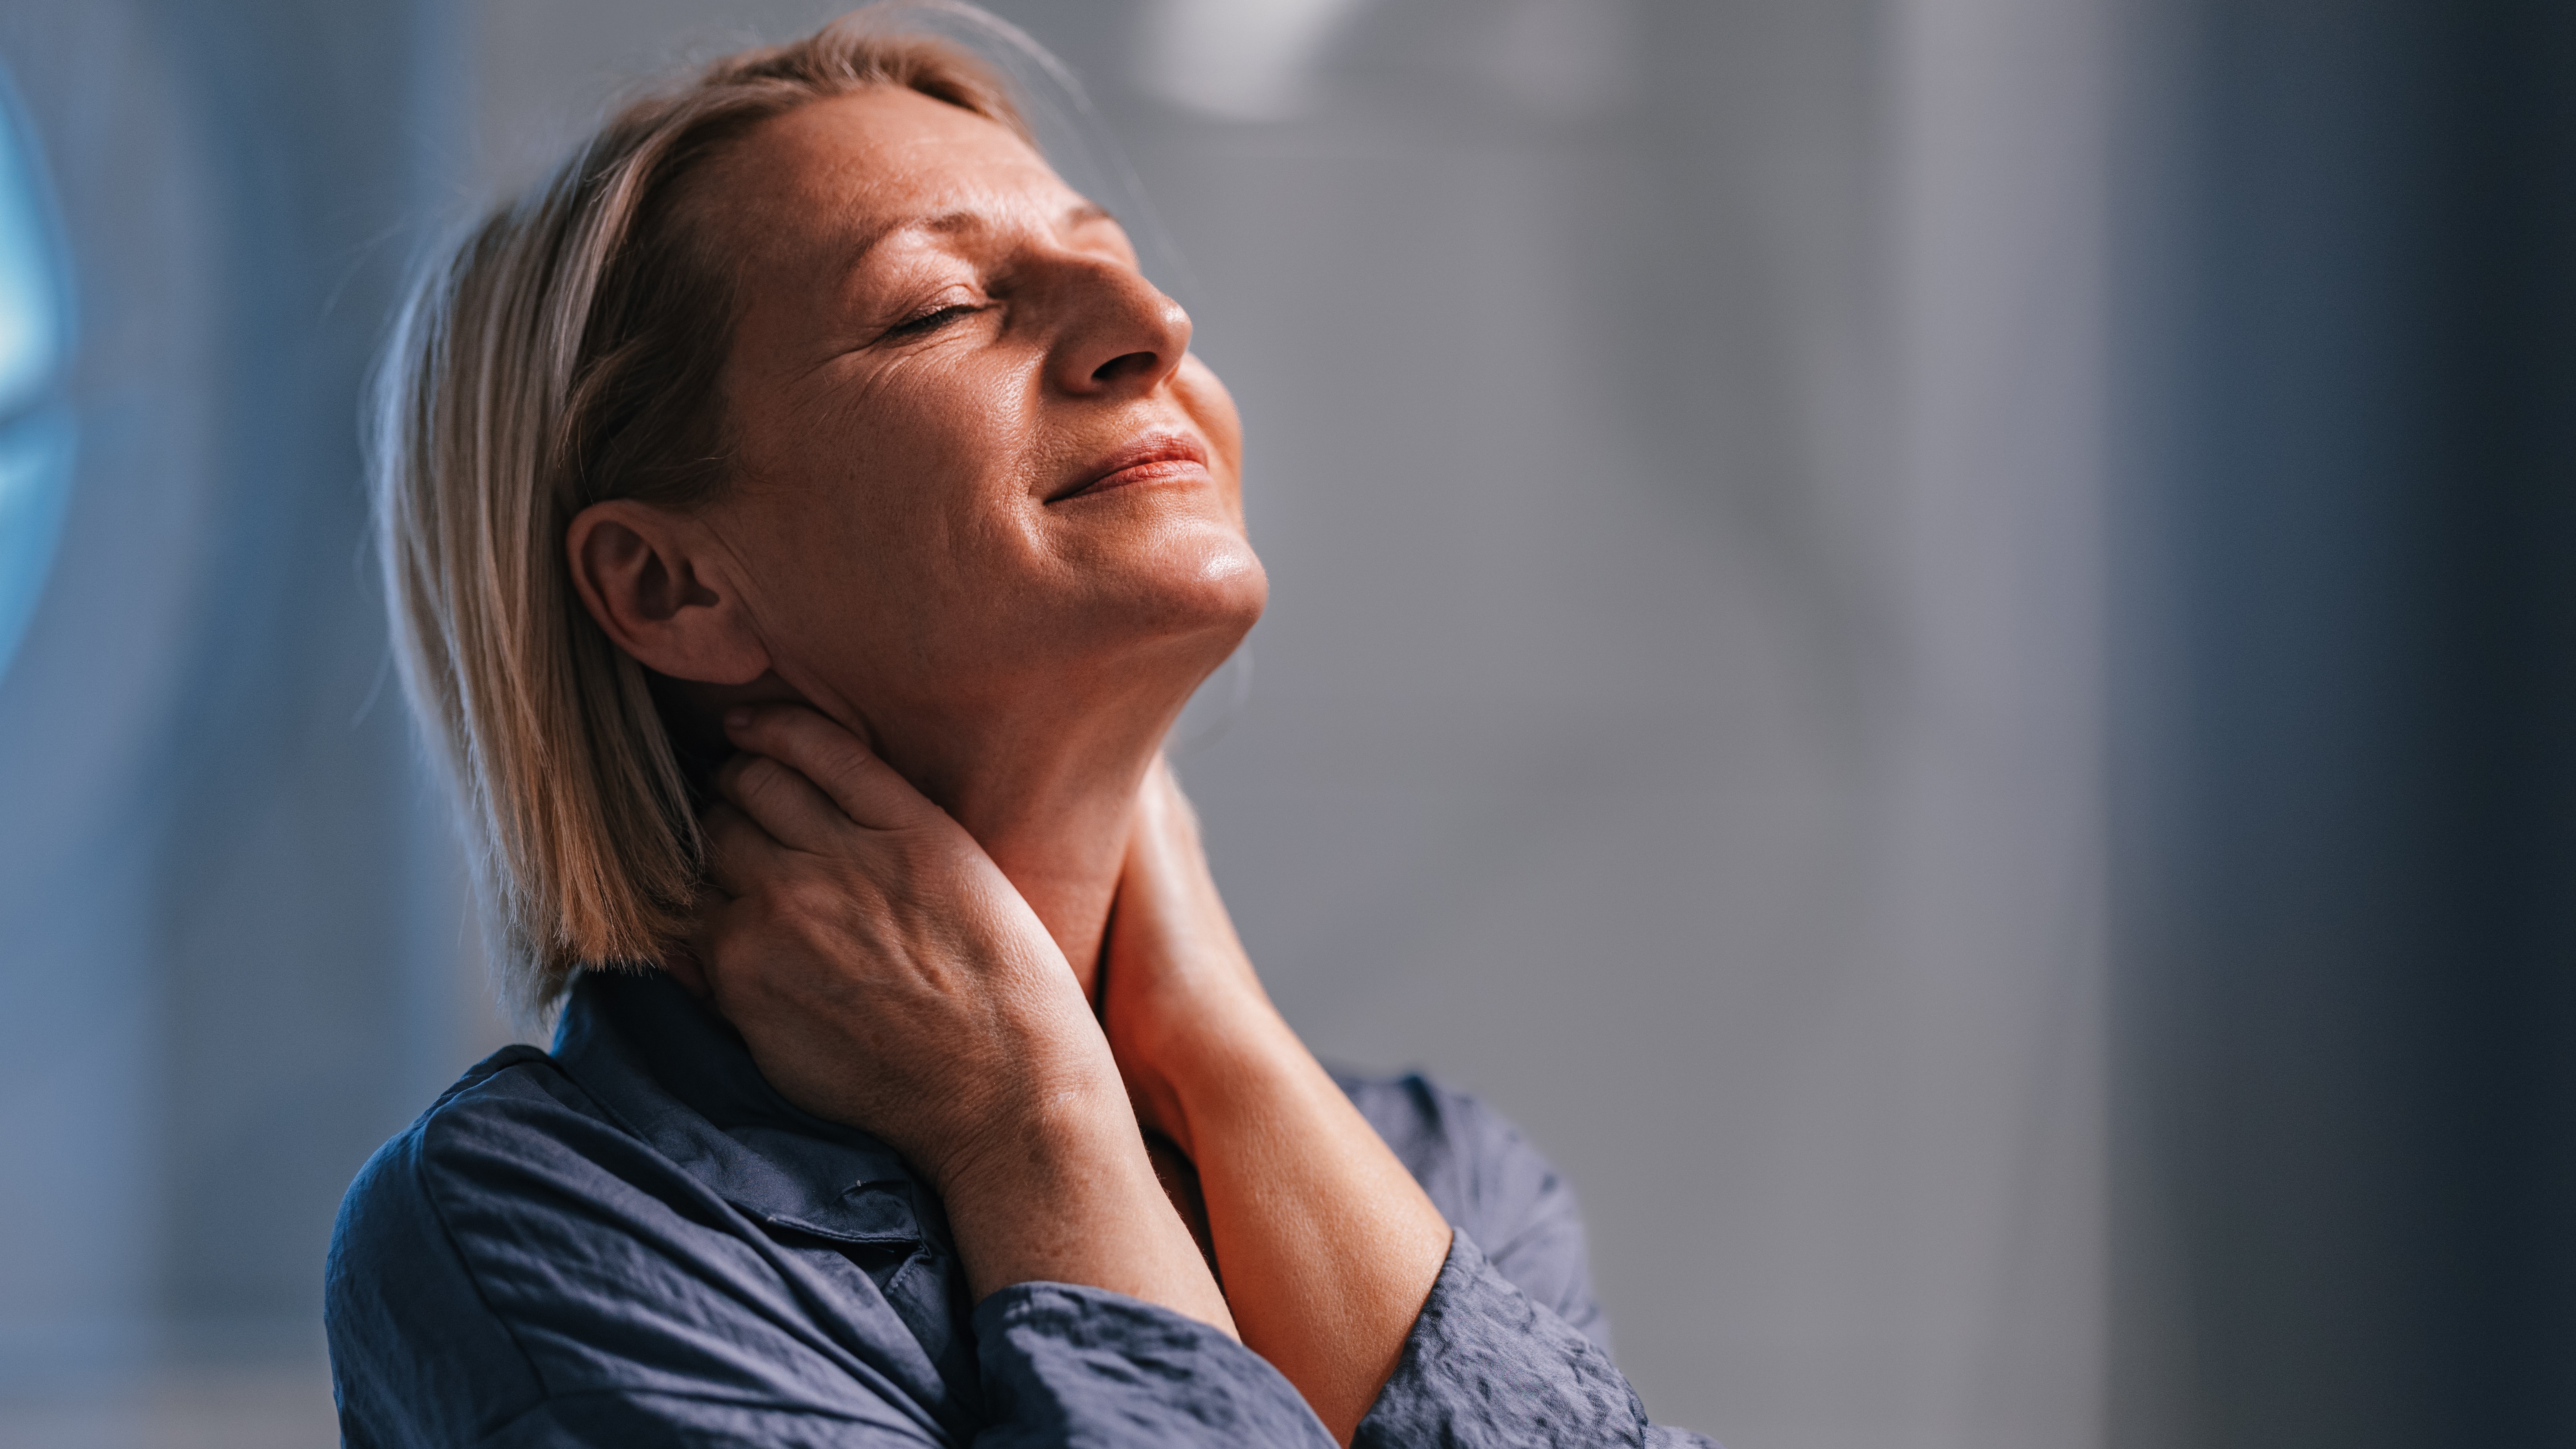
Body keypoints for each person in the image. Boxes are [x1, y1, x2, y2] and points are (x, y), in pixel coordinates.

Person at [327, 9, 1712, 1446]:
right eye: (936, 307)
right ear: (669, 587)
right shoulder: (561, 1215)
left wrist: (1219, 1039)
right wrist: (1035, 1124)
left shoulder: (1452, 1179)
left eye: (1115, 260)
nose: (1153, 327)